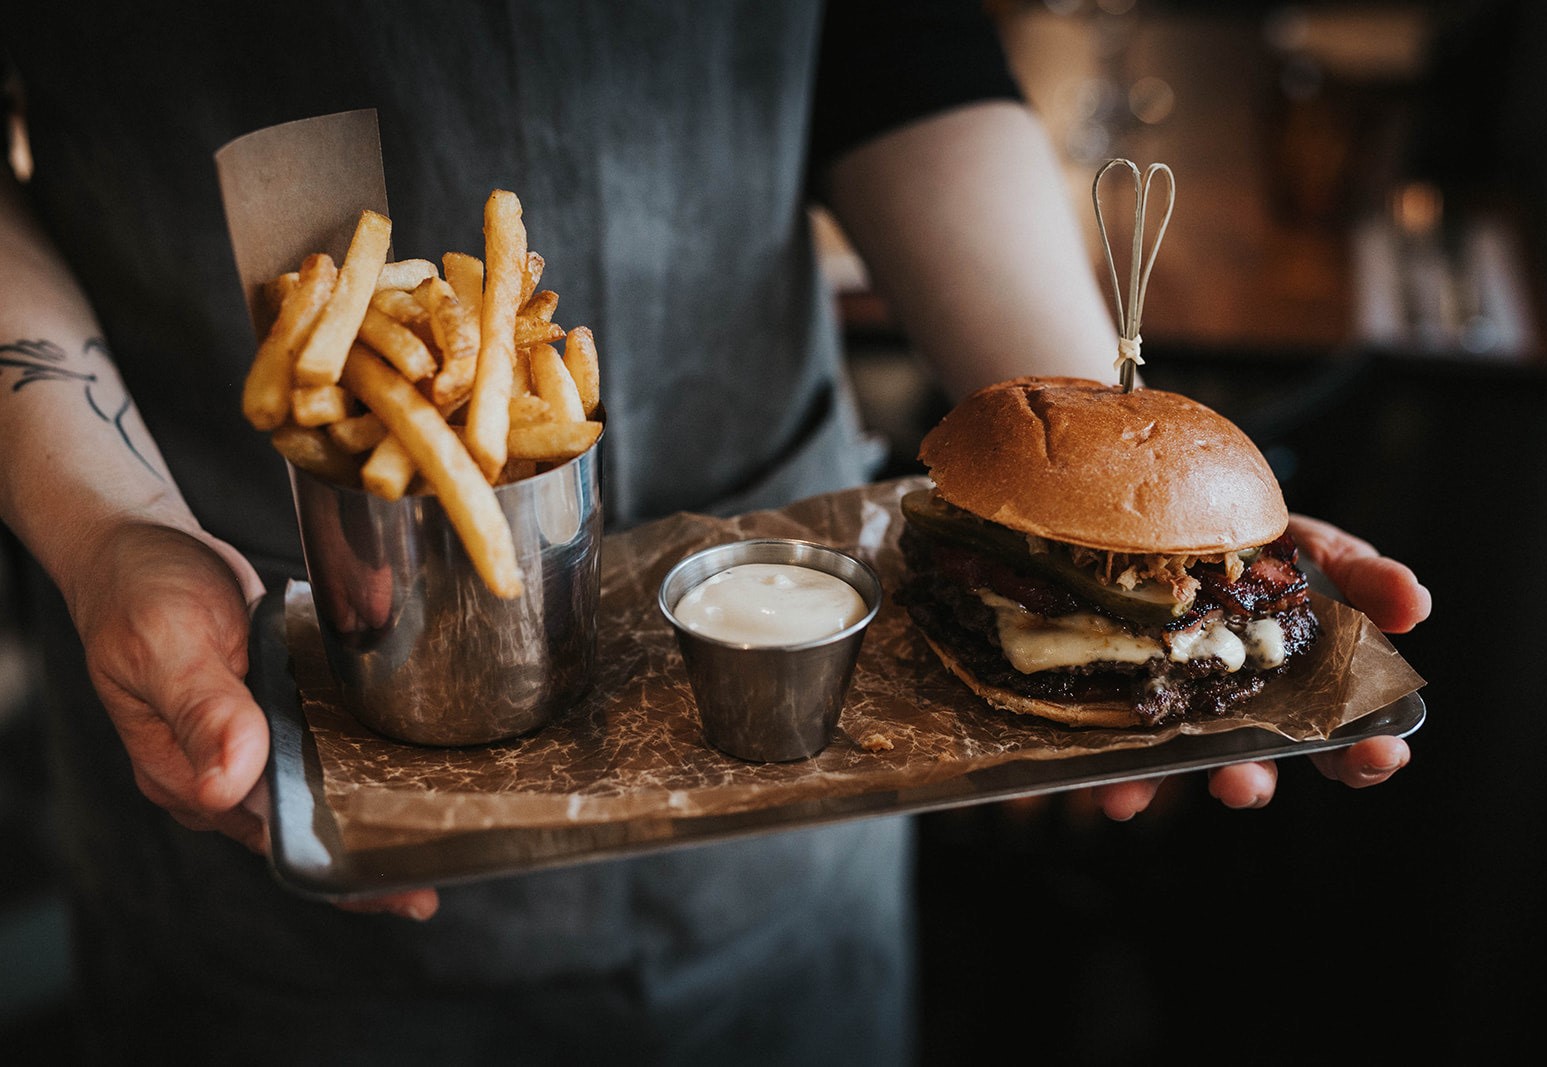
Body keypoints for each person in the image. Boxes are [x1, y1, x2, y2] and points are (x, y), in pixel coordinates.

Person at [0, 2, 1430, 1063]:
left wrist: (1098, 496)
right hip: (260, 628)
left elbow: (896, 48)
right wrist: (113, 530)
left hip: (803, 757)